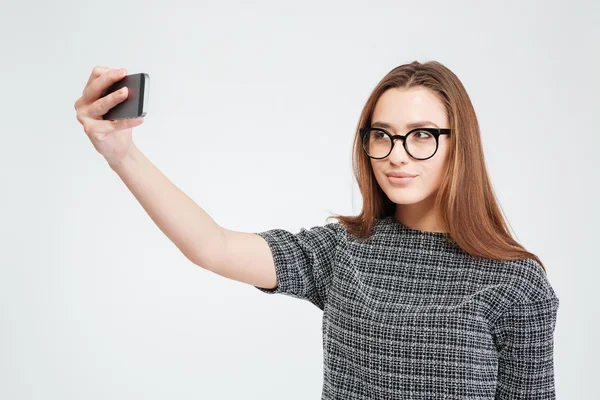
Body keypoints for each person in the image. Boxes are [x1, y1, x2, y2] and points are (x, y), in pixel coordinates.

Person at [74, 60, 559, 399]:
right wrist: (122, 154)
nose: (396, 153)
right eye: (382, 135)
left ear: (459, 145)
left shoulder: (515, 285)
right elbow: (213, 246)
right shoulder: (343, 250)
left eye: (421, 135)